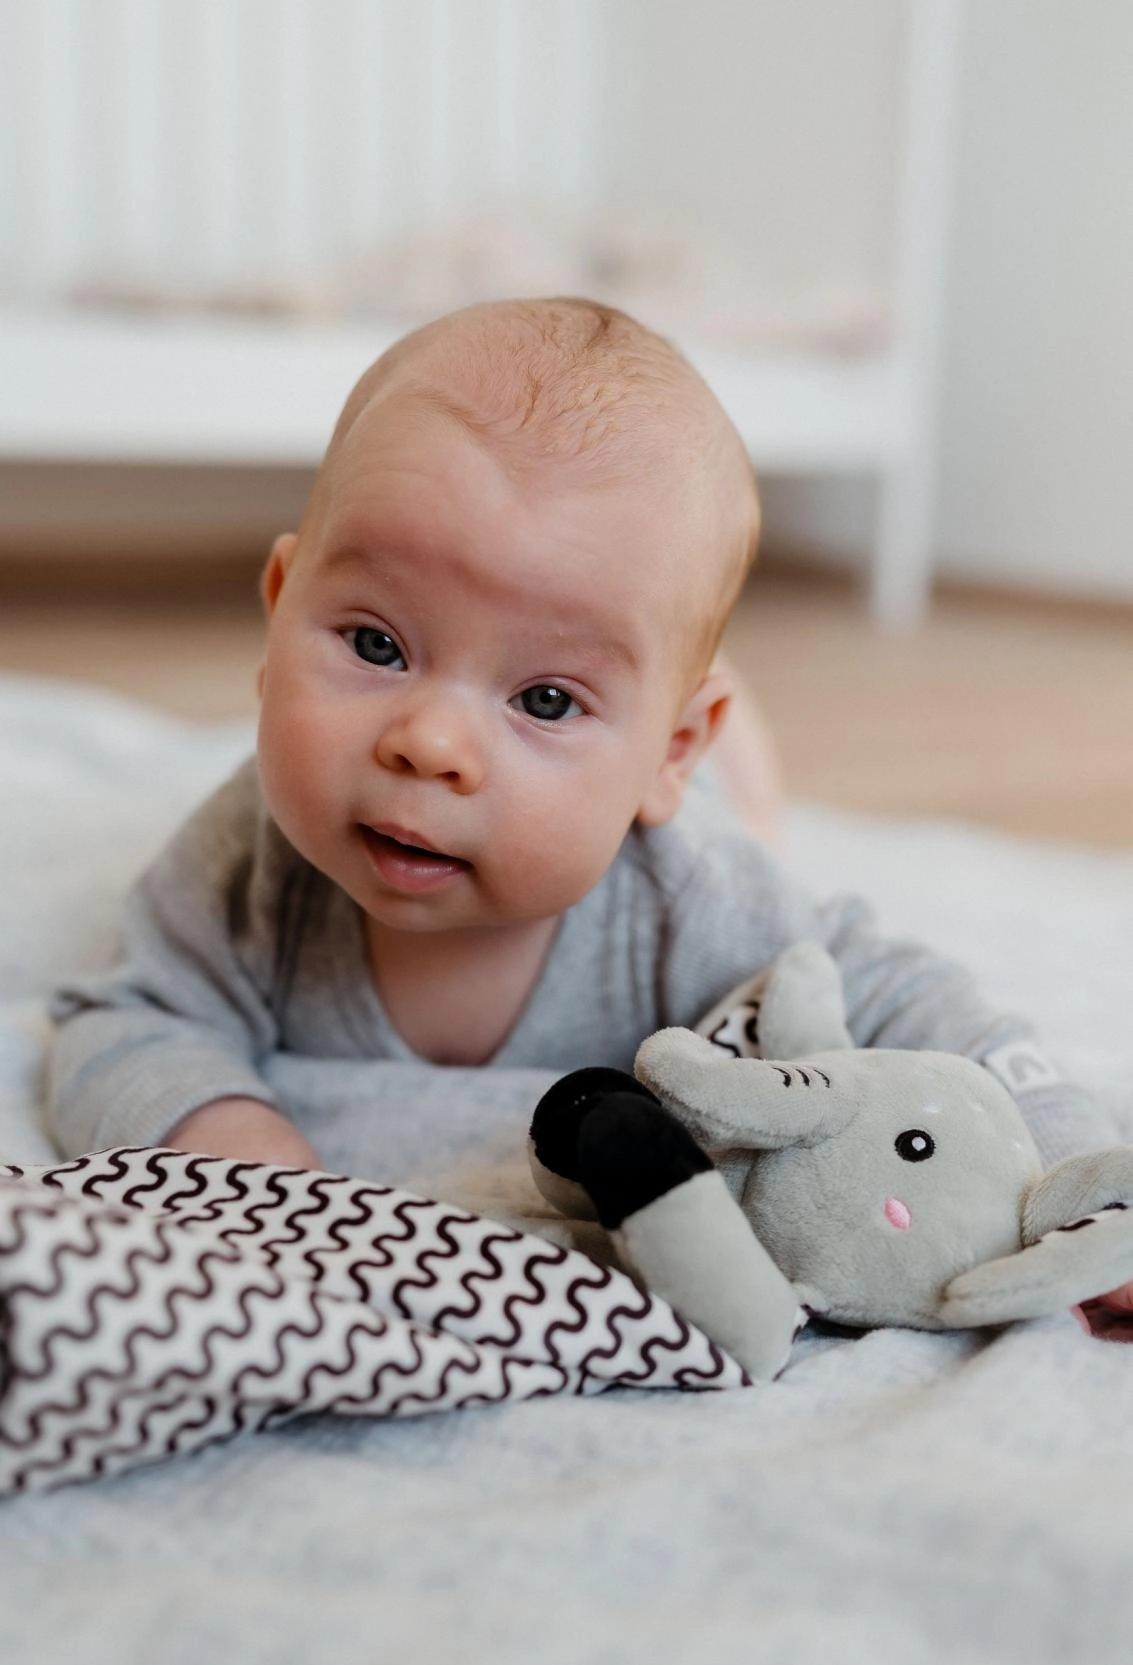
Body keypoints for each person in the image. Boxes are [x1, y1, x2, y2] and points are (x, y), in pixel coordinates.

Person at [48, 298, 1119, 1257]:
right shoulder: (245, 862)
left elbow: (918, 1008)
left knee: (750, 837)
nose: (430, 743)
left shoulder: (691, 904)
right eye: (376, 644)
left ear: (666, 755)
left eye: (545, 699)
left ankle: (721, 760)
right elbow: (127, 1020)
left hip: (687, 817)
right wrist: (235, 1143)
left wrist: (1077, 1180)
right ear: (278, 610)